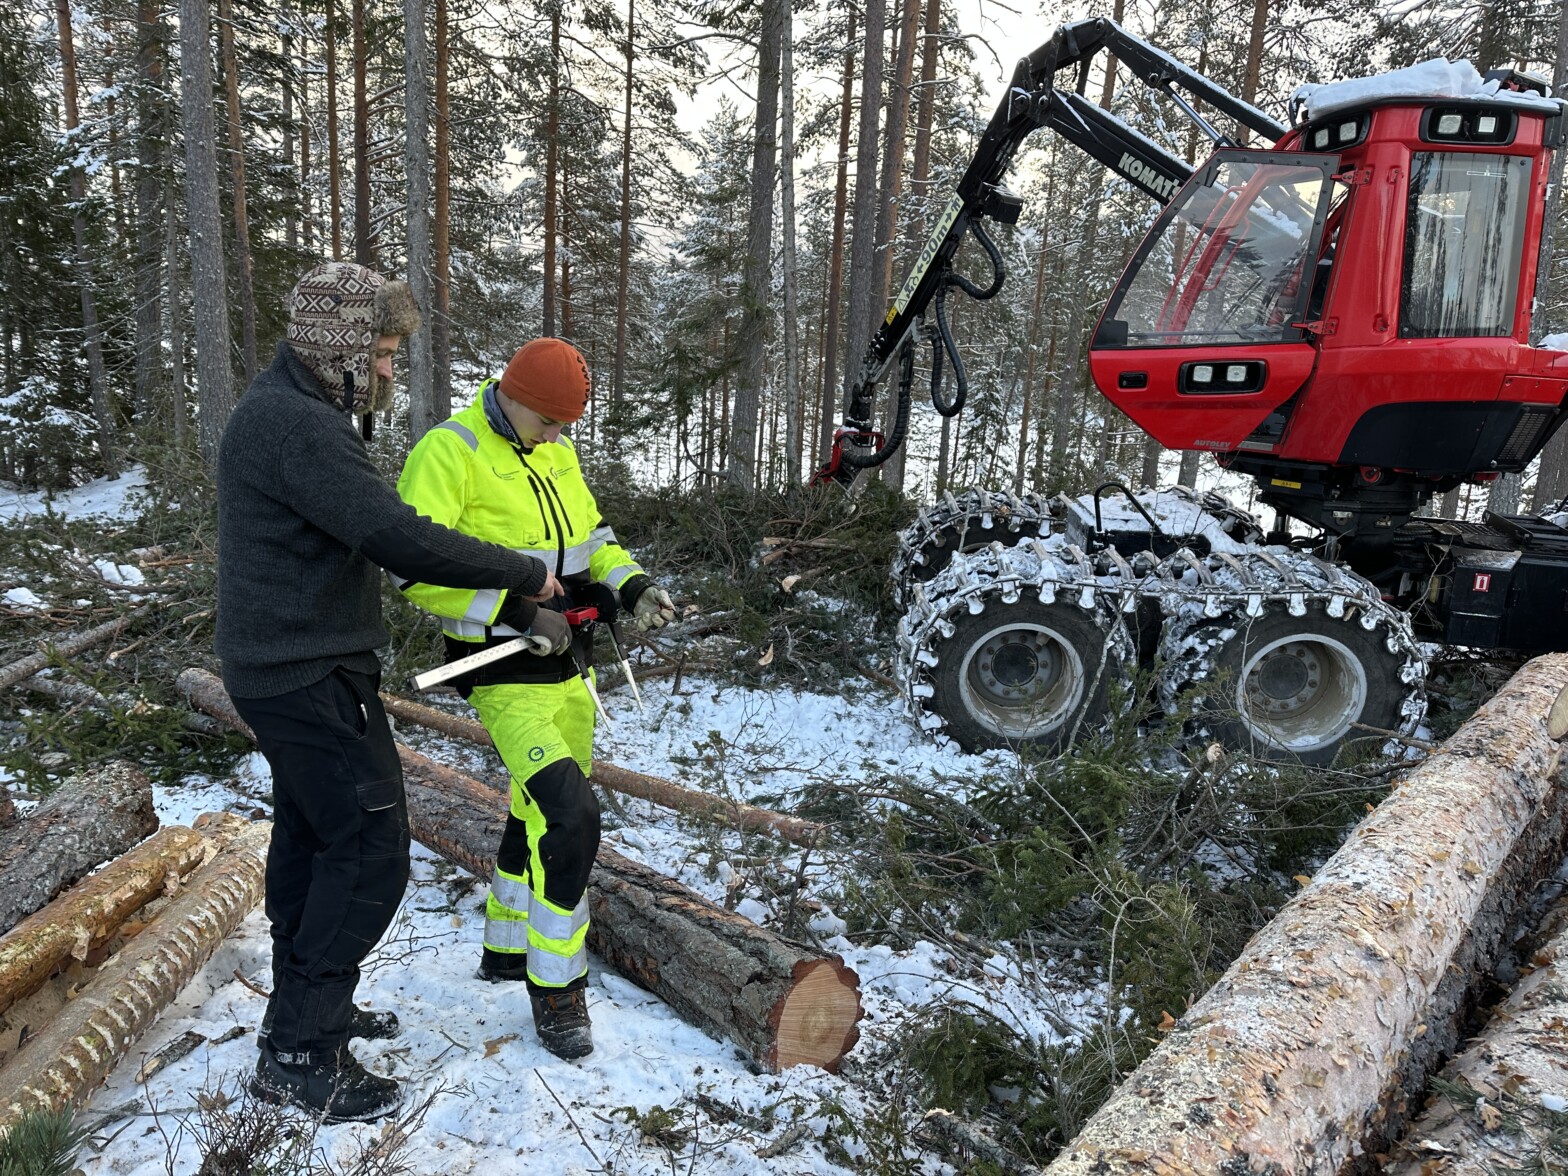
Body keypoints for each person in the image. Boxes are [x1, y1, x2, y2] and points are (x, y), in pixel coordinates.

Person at [215, 262, 564, 1122]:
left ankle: (309, 1013)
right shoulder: (301, 427)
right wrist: (527, 576)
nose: (388, 371)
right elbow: (395, 535)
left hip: (288, 667)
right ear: (335, 352)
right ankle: (300, 1051)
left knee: (311, 837)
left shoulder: (293, 410)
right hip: (305, 675)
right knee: (371, 851)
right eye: (379, 353)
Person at [395, 337, 675, 1060]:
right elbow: (412, 567)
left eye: (564, 428)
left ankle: (505, 943)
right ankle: (557, 991)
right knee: (572, 815)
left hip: (568, 667)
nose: (557, 438)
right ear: (515, 398)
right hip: (500, 666)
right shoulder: (448, 452)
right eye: (549, 423)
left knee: (534, 803)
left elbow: (589, 541)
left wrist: (628, 583)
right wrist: (517, 611)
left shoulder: (554, 450)